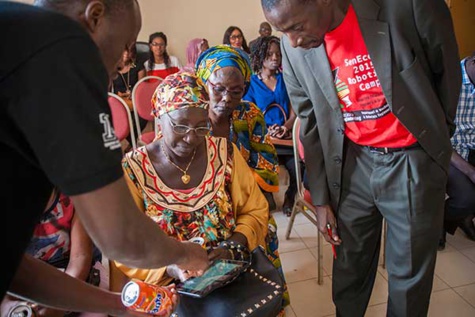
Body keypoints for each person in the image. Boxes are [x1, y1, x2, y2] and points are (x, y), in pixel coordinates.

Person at [1, 1, 208, 315]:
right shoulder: (63, 47)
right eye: (126, 44)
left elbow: (14, 269)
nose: (126, 58)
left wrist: (119, 306)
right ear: (94, 16)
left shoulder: (16, 34)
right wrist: (185, 254)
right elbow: (120, 236)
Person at [261, 0, 461, 316]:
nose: (292, 40)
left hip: (410, 160)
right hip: (352, 163)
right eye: (282, 31)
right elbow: (309, 121)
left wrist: (432, 147)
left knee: (408, 280)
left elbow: (447, 72)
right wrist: (322, 199)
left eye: (297, 27)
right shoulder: (294, 48)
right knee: (349, 272)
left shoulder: (406, 7)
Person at [111, 71, 267, 292]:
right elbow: (124, 242)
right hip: (167, 288)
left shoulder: (225, 154)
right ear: (159, 117)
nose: (191, 137)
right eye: (180, 126)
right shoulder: (134, 169)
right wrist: (171, 268)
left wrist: (231, 247)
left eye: (202, 127)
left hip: (228, 275)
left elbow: (255, 211)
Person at [196, 45, 290, 310]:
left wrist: (238, 189)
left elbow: (267, 162)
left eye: (236, 92)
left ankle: (267, 303)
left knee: (262, 232)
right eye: (218, 89)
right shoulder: (191, 116)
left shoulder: (249, 115)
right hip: (201, 208)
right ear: (205, 83)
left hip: (246, 202)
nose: (227, 98)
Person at [1, 189, 103, 317]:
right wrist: (13, 307)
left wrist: (60, 304)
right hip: (29, 282)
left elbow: (80, 258)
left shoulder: (74, 196)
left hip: (77, 275)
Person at [244, 35, 299, 216]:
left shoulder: (286, 79)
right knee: (259, 160)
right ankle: (266, 195)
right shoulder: (251, 83)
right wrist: (267, 130)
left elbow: (294, 110)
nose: (275, 58)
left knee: (298, 165)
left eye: (278, 54)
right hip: (263, 138)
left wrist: (287, 126)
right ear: (260, 56)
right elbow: (250, 113)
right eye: (269, 54)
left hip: (286, 136)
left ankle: (290, 197)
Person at [440, 52, 475, 250]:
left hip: (472, 146)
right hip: (448, 151)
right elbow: (438, 137)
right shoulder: (448, 81)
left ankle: (464, 218)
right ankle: (438, 222)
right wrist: (470, 171)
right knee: (466, 197)